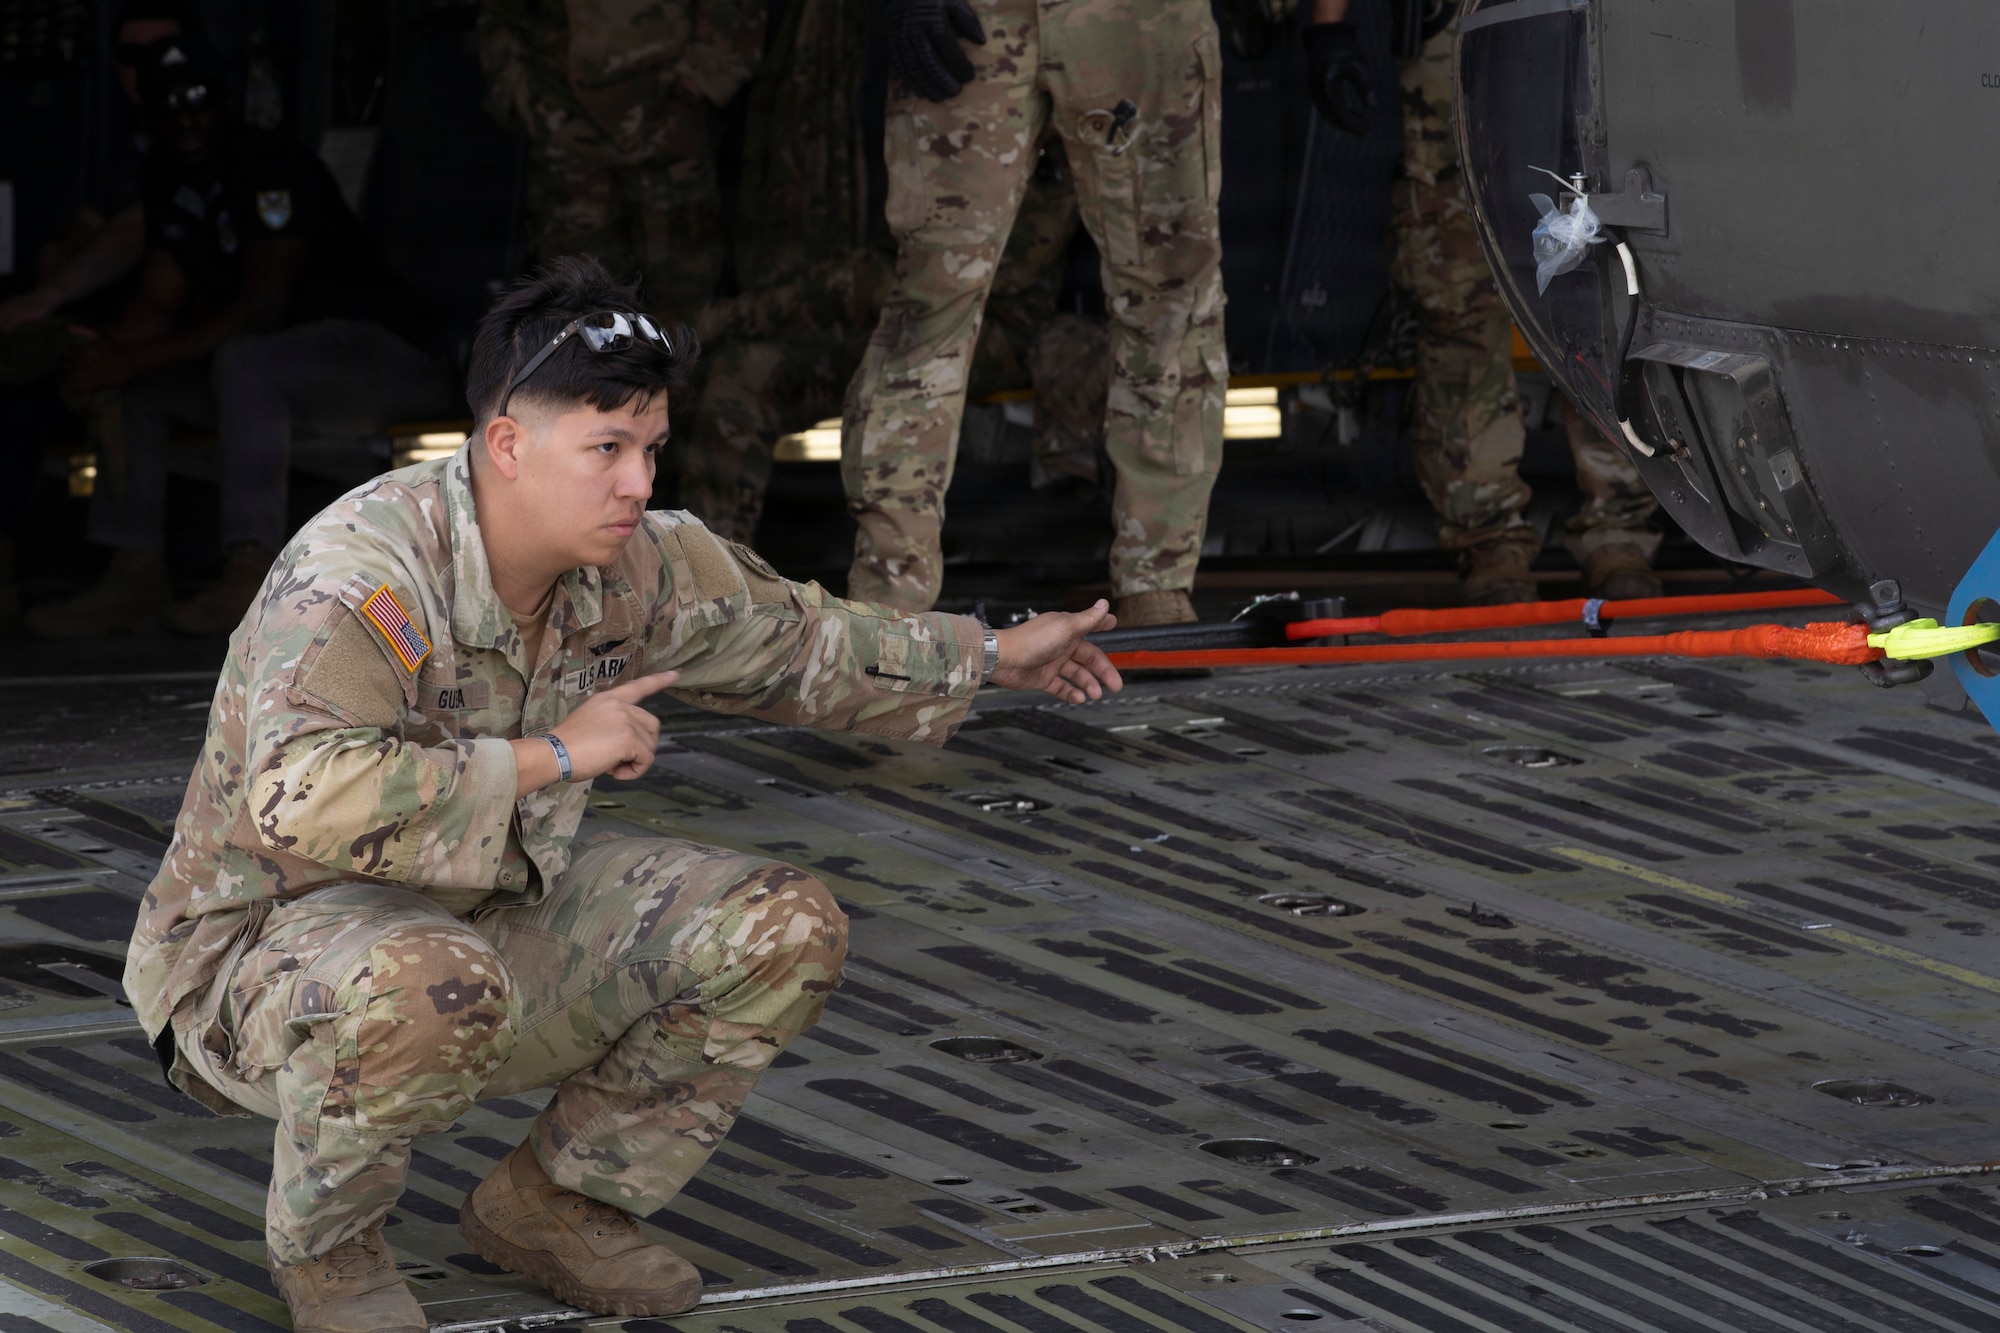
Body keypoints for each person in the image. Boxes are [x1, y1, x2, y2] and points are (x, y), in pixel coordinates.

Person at [123, 255, 1122, 1331]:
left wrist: (987, 654)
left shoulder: (638, 565)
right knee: (426, 977)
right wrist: (549, 754)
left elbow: (796, 638)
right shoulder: (363, 575)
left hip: (473, 922)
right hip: (259, 968)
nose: (638, 482)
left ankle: (555, 1202)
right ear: (507, 444)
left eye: (648, 447)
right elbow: (296, 795)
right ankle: (332, 1255)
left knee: (777, 927)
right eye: (606, 449)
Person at [25, 33, 454, 639]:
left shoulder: (269, 164)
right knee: (142, 387)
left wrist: (126, 357)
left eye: (198, 98)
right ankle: (135, 572)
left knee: (242, 360)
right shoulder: (171, 185)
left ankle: (250, 573)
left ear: (225, 102)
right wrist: (99, 360)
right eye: (168, 104)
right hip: (274, 384)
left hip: (384, 361)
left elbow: (262, 306)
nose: (186, 117)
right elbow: (156, 300)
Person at [840, 0, 1227, 623]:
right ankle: (888, 605)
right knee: (930, 302)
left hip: (1137, 20)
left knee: (1172, 294)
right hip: (976, 18)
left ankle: (1158, 579)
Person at [1305, 0, 1662, 603]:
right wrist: (1329, 26)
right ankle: (1489, 536)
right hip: (1460, 31)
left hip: (1595, 24)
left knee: (1607, 272)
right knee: (1457, 287)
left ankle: (1619, 526)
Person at [0, 1, 196, 629]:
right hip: (104, 332)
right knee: (17, 393)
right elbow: (70, 238)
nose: (154, 70)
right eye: (135, 58)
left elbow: (148, 238)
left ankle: (138, 576)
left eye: (164, 51)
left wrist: (59, 303)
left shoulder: (198, 129)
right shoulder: (109, 145)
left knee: (126, 384)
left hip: (183, 337)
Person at [475, 0, 766, 321]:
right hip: (564, 123)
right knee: (581, 312)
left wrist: (702, 75)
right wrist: (522, 91)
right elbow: (500, 14)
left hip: (669, 119)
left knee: (687, 303)